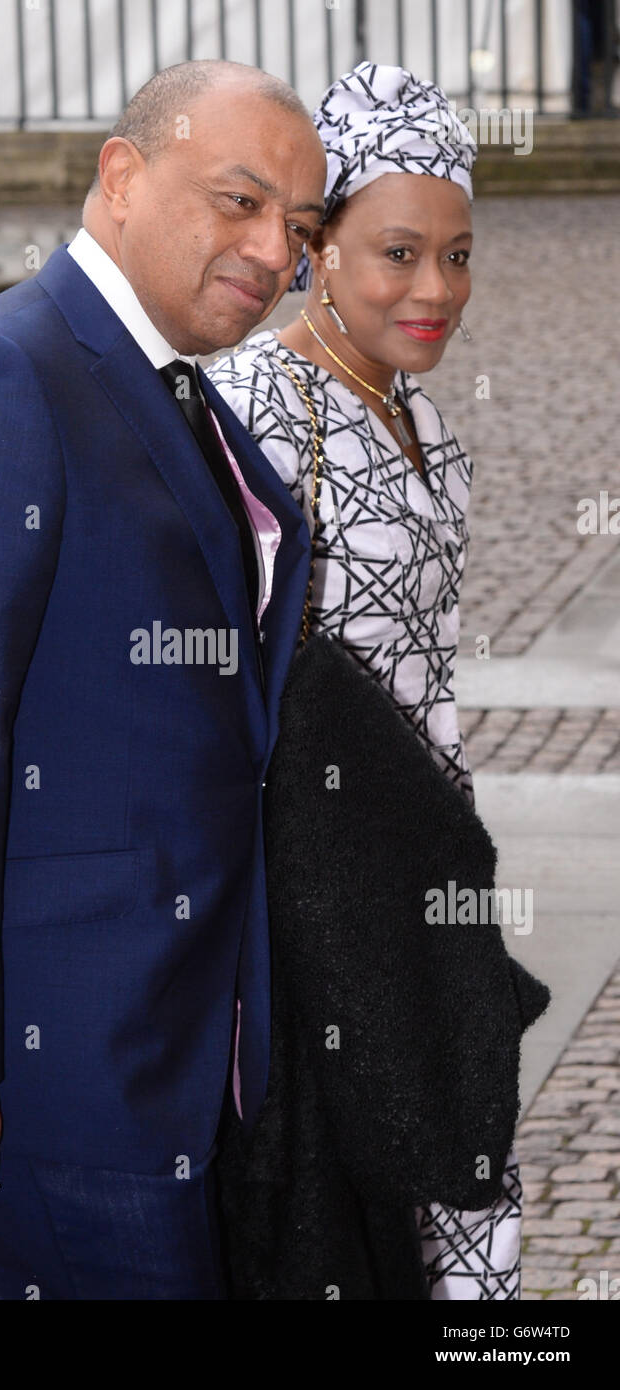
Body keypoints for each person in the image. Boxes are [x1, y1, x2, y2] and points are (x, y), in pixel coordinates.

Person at [0, 59, 328, 1300]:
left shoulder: (160, 374)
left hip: (184, 1038)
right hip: (55, 1070)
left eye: (300, 227)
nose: (274, 250)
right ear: (122, 175)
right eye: (239, 201)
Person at [207, 62, 524, 1299]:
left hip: (428, 870)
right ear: (317, 247)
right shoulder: (252, 408)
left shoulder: (425, 428)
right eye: (396, 251)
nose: (435, 288)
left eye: (455, 254)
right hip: (316, 902)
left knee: (460, 1192)